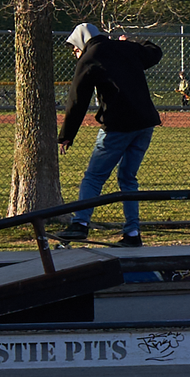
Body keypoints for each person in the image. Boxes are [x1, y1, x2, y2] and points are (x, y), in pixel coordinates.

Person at [57, 22, 165, 246]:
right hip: (145, 123)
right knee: (128, 178)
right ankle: (133, 232)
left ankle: (80, 224)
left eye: (75, 49)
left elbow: (77, 100)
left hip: (117, 125)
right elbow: (155, 52)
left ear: (81, 43)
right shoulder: (126, 48)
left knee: (94, 177)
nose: (76, 53)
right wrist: (133, 43)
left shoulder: (90, 57)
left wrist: (67, 134)